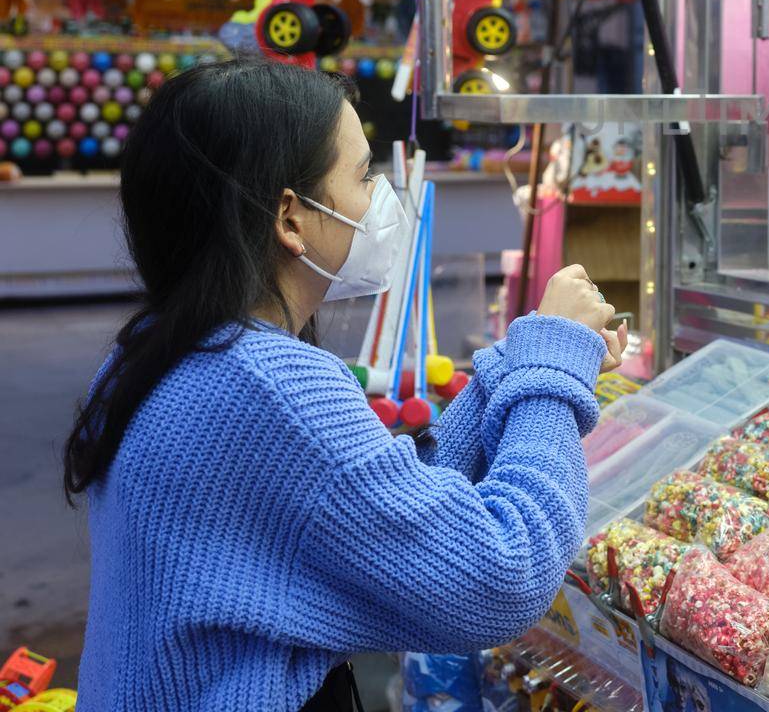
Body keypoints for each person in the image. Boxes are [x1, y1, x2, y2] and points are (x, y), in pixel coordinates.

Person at [65, 60, 624, 712]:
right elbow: (505, 575)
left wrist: (516, 367)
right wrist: (553, 370)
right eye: (363, 176)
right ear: (290, 218)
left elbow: (375, 506)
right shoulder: (271, 389)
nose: (382, 196)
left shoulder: (164, 349)